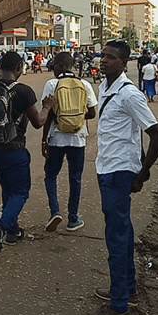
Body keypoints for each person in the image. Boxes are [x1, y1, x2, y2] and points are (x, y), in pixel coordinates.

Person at [85, 40, 158, 315]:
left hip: (119, 172)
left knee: (117, 238)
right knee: (122, 232)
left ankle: (119, 307)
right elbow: (133, 134)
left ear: (123, 63)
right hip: (106, 168)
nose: (103, 61)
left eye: (110, 58)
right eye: (102, 56)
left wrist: (142, 172)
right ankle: (126, 289)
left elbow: (157, 136)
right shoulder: (106, 87)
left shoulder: (130, 95)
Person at [0, 22, 54, 257]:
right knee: (20, 192)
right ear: (19, 68)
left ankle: (12, 231)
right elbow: (39, 122)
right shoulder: (23, 91)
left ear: (0, 67)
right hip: (14, 148)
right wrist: (48, 106)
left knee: (7, 188)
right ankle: (0, 228)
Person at [41, 52, 97, 232]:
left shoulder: (51, 84)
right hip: (78, 138)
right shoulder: (85, 84)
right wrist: (77, 116)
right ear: (72, 66)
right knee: (75, 178)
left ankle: (55, 212)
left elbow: (48, 114)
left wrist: (44, 139)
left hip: (56, 138)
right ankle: (73, 218)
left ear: (58, 67)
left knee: (51, 175)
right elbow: (92, 113)